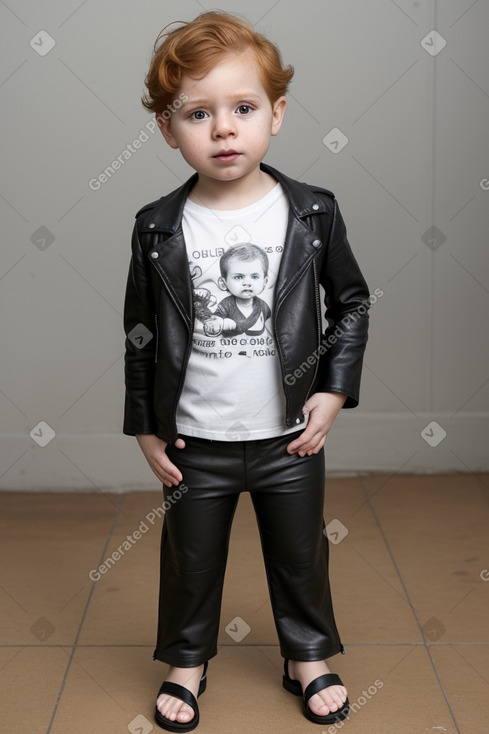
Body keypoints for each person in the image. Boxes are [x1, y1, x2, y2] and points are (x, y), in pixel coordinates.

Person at [123, 10, 370, 732]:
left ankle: (307, 654)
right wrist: (145, 427)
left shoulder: (310, 213)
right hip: (194, 441)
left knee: (299, 554)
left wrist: (332, 388)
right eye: (197, 114)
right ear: (170, 130)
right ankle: (187, 659)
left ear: (276, 114)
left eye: (242, 108)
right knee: (189, 559)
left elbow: (350, 301)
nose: (223, 129)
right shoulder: (158, 226)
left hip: (286, 436)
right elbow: (139, 334)